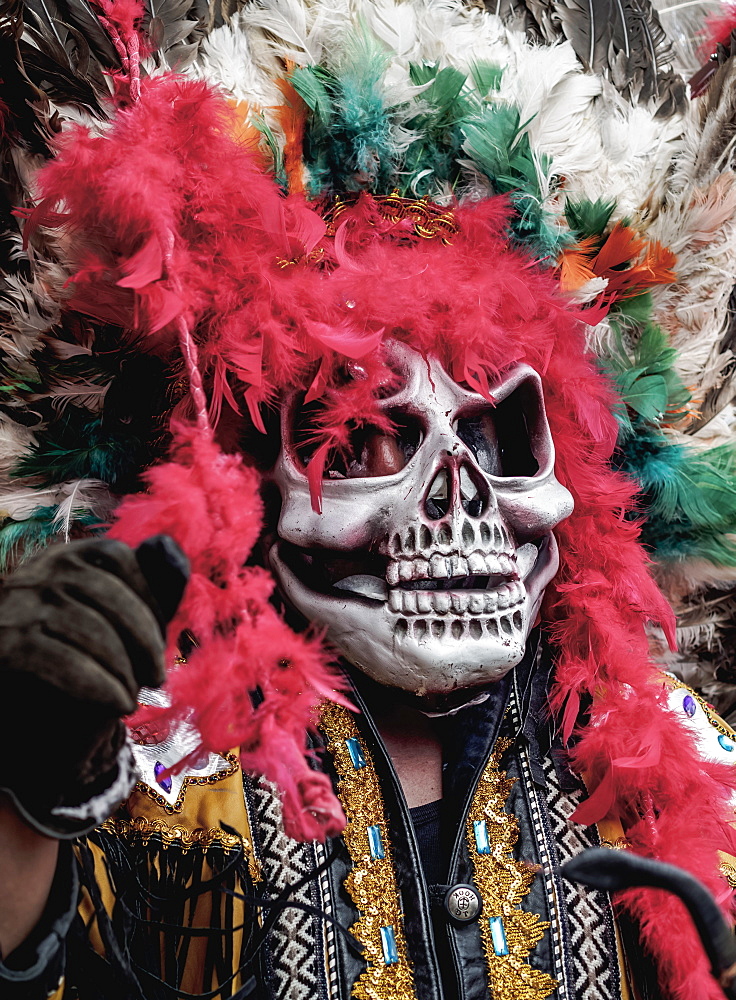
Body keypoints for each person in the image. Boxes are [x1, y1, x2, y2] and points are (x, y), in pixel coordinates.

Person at [2, 1, 736, 998]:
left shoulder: (679, 769)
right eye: (358, 441)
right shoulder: (146, 770)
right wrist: (26, 776)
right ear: (255, 487)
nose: (458, 495)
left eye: (495, 437)